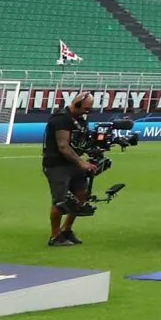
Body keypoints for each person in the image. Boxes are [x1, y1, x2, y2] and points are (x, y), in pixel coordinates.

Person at [44, 91, 102, 247]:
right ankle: (55, 236)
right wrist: (82, 163)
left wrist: (92, 154)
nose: (87, 112)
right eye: (86, 108)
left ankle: (66, 229)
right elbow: (63, 146)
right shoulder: (61, 119)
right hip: (57, 165)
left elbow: (82, 141)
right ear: (77, 104)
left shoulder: (80, 120)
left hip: (74, 164)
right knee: (61, 200)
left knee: (81, 195)